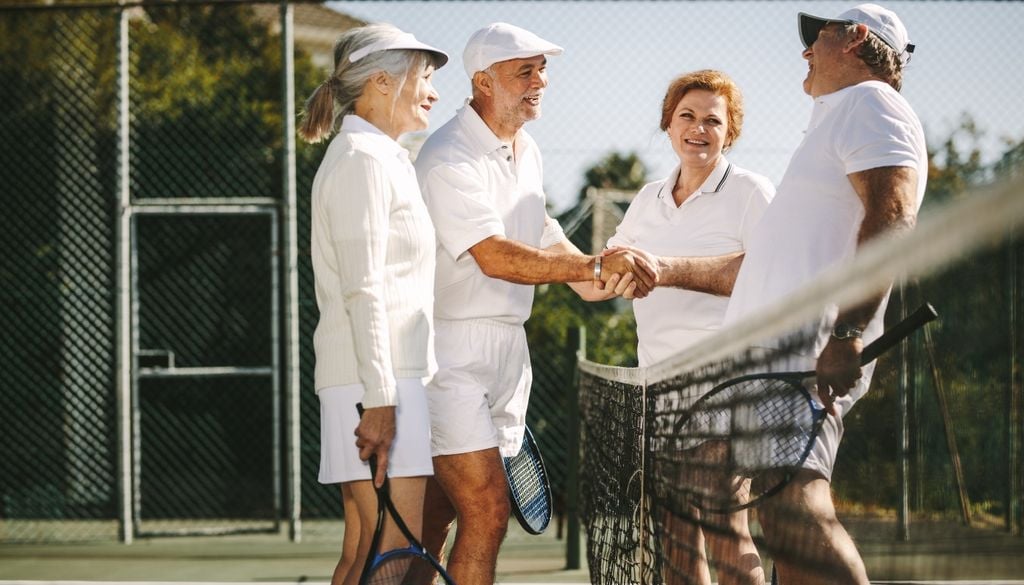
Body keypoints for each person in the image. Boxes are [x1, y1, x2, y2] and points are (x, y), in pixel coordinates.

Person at [413, 22, 657, 584]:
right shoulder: (448, 156)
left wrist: (597, 276)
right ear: (483, 82)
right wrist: (593, 268)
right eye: (525, 71)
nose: (540, 82)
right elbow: (494, 255)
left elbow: (541, 230)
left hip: (508, 351)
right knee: (487, 509)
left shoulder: (527, 150)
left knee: (436, 515)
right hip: (451, 353)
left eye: (542, 71)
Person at [718, 4, 926, 584]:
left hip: (805, 350)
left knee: (796, 501)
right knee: (781, 516)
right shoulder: (840, 116)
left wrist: (848, 333)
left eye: (819, 36)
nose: (806, 49)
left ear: (855, 39)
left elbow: (893, 218)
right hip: (780, 350)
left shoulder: (871, 102)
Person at [606, 70, 773, 585]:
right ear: (669, 124)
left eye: (712, 121)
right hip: (658, 392)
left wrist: (665, 268)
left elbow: (769, 271)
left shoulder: (750, 192)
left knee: (726, 532)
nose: (698, 129)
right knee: (676, 542)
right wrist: (551, 244)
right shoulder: (647, 198)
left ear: (730, 132)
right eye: (687, 116)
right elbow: (605, 273)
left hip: (727, 388)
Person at [297, 24, 449, 585]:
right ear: (382, 82)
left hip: (375, 381)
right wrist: (381, 402)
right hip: (376, 386)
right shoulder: (362, 160)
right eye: (424, 77)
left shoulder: (381, 158)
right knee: (396, 552)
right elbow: (364, 288)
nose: (434, 91)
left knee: (366, 549)